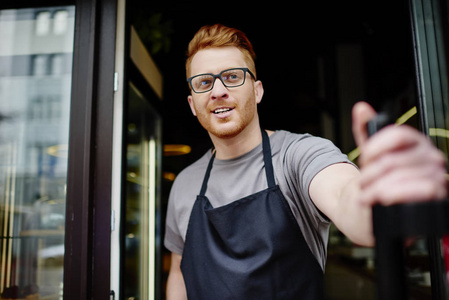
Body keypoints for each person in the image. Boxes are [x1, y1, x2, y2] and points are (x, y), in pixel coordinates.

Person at [164, 24, 447, 299]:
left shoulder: (298, 155)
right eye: (204, 82)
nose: (218, 91)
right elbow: (179, 272)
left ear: (257, 90)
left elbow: (344, 196)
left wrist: (378, 199)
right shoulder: (185, 183)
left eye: (233, 77)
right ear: (192, 104)